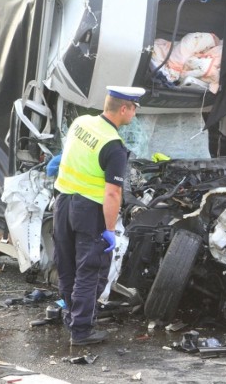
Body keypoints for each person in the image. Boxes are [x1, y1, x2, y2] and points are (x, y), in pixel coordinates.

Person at [53, 85, 144, 345]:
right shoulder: (114, 146)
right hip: (89, 210)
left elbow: (69, 156)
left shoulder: (81, 123)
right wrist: (110, 230)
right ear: (124, 108)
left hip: (63, 202)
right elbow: (113, 194)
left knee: (67, 265)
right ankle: (81, 331)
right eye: (134, 108)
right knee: (90, 270)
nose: (135, 114)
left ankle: (72, 316)